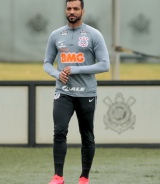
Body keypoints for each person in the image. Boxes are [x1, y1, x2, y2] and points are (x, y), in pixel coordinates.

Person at [43, 0, 110, 184]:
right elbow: (47, 63)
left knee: (87, 135)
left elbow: (105, 65)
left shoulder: (93, 34)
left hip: (86, 93)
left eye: (75, 9)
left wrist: (75, 69)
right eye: (69, 8)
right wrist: (57, 74)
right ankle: (58, 177)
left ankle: (84, 177)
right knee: (59, 131)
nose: (72, 12)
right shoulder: (56, 35)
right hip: (63, 92)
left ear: (83, 11)